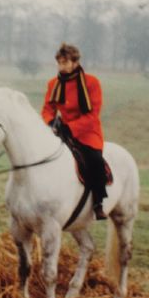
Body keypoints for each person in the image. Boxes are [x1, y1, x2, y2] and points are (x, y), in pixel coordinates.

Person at [41, 43, 108, 220]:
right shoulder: (53, 83)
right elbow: (47, 109)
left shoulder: (92, 83)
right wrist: (50, 122)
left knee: (95, 160)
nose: (61, 66)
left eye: (65, 62)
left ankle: (98, 202)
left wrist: (71, 127)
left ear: (75, 62)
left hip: (87, 133)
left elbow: (93, 115)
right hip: (61, 130)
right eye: (59, 62)